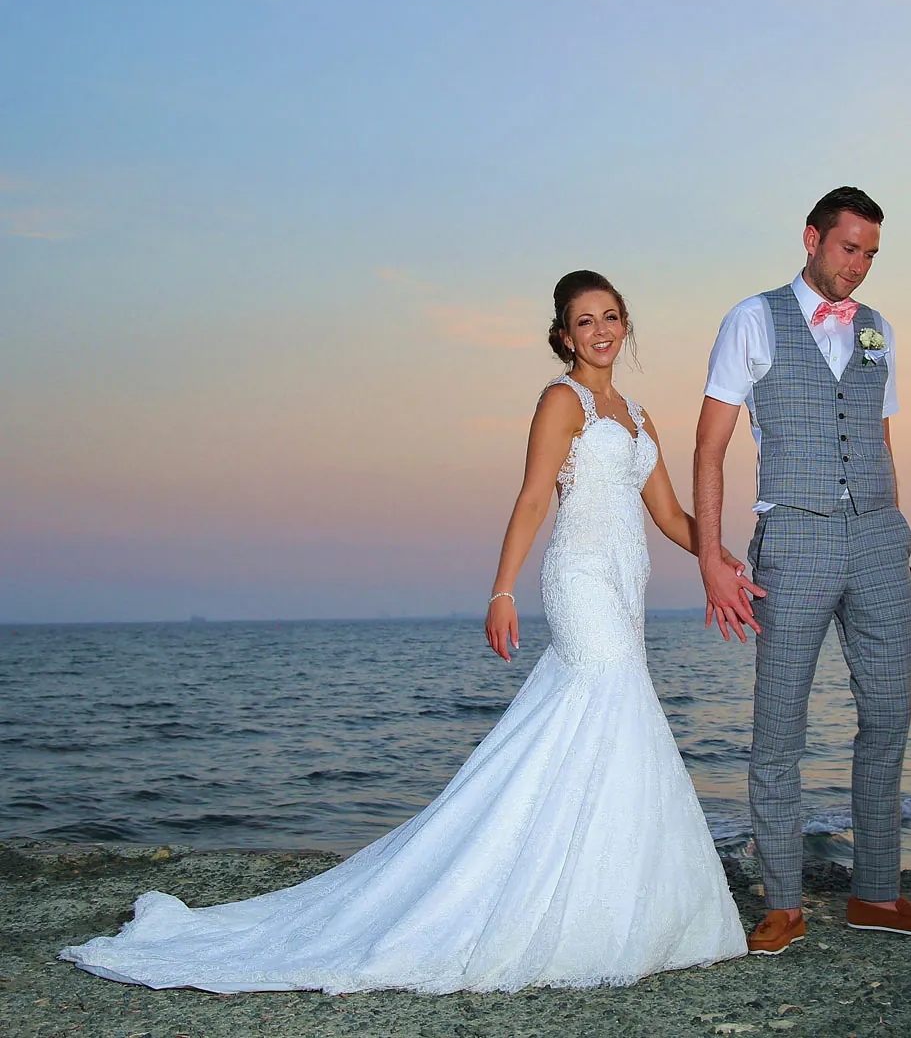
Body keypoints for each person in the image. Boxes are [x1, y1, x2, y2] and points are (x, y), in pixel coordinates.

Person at [60, 270, 748, 993]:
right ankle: (564, 904)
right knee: (609, 699)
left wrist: (721, 557)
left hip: (627, 582)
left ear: (625, 323)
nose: (601, 330)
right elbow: (533, 497)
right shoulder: (560, 401)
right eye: (585, 321)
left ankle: (609, 897)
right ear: (562, 334)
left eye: (611, 317)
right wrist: (503, 587)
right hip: (579, 579)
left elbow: (670, 516)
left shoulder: (638, 416)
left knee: (605, 719)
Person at [694, 187, 911, 955]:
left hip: (878, 541)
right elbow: (710, 445)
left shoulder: (878, 330)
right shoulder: (753, 318)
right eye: (849, 248)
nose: (860, 266)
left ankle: (876, 892)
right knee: (779, 731)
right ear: (811, 238)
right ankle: (783, 905)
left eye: (872, 253)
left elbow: (878, 434)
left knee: (888, 717)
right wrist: (712, 555)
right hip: (796, 540)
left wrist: (895, 529)